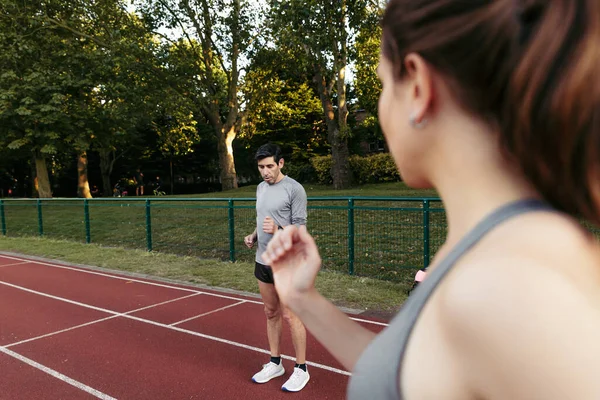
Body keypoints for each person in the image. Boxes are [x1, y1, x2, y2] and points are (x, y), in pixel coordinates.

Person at [262, 1, 600, 399]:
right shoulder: (490, 251)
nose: (381, 105)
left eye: (385, 85)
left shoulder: (509, 284)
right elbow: (415, 380)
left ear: (419, 87)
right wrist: (304, 299)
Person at [244, 143, 310, 392]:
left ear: (280, 163)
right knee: (271, 313)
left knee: (291, 316)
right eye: (261, 167)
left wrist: (279, 230)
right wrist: (254, 235)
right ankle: (275, 363)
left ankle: (301, 369)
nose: (265, 172)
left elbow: (300, 231)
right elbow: (263, 219)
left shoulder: (295, 189)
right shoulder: (260, 188)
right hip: (263, 260)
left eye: (270, 166)